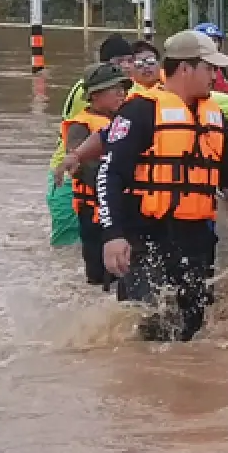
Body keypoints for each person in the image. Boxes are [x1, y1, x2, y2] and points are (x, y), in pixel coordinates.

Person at [97, 30, 228, 342]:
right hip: (146, 239)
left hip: (195, 240)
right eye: (209, 68)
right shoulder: (140, 111)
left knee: (189, 333)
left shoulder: (214, 117)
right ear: (185, 69)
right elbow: (109, 174)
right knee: (148, 328)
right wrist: (112, 235)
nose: (215, 77)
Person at [54, 36, 228, 185]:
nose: (215, 76)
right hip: (75, 179)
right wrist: (77, 156)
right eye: (209, 68)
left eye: (149, 61)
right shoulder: (138, 105)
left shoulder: (204, 110)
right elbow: (107, 144)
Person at [45, 34, 134, 247]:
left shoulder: (126, 103)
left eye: (129, 60)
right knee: (69, 243)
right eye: (119, 61)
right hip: (69, 180)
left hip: (105, 194)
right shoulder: (83, 103)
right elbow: (82, 156)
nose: (126, 65)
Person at [60, 63, 130, 287]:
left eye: (123, 89)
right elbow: (82, 167)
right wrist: (114, 184)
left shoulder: (126, 121)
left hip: (121, 210)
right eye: (114, 89)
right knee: (100, 277)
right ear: (95, 95)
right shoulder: (80, 126)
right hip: (94, 213)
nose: (122, 94)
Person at [194, 22, 228, 93]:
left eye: (215, 40)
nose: (213, 44)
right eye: (208, 40)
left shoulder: (221, 65)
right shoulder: (193, 68)